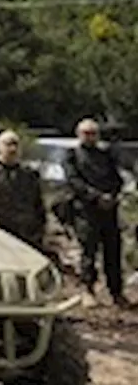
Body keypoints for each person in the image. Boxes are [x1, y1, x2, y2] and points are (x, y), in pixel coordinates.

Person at [64, 118, 130, 307]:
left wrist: (112, 196)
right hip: (86, 210)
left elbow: (117, 178)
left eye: (93, 133)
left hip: (109, 211)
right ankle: (87, 289)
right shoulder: (72, 155)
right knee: (88, 252)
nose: (90, 137)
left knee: (113, 251)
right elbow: (73, 181)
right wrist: (96, 196)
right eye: (86, 133)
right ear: (79, 135)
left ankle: (116, 292)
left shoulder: (106, 155)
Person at [0, 131, 49, 252]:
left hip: (25, 232)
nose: (12, 149)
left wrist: (40, 228)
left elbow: (38, 203)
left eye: (15, 144)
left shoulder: (29, 174)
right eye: (8, 144)